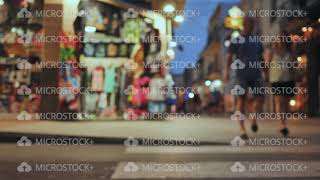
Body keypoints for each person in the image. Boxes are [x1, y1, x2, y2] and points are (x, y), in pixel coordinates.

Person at [224, 17, 264, 140]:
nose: (250, 27)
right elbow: (229, 57)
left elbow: (261, 58)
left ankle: (253, 118)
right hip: (241, 74)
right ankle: (242, 129)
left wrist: (265, 71)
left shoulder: (257, 41)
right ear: (243, 25)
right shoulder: (236, 41)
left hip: (256, 73)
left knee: (260, 98)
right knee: (241, 101)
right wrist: (226, 71)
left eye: (252, 25)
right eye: (248, 24)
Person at [266, 32, 295, 137]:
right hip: (276, 80)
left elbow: (293, 65)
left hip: (288, 79)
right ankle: (281, 124)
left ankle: (283, 122)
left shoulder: (290, 51)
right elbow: (267, 65)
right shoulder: (272, 52)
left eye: (283, 39)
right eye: (279, 38)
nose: (281, 40)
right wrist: (267, 78)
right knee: (279, 102)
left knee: (286, 104)